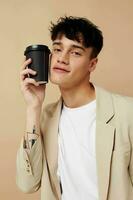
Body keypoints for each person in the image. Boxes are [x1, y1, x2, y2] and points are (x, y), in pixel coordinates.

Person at [16, 16, 133, 200]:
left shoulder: (127, 112)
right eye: (57, 49)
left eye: (75, 52)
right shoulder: (46, 117)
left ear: (92, 64)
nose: (62, 58)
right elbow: (27, 184)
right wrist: (33, 107)